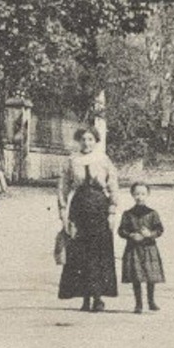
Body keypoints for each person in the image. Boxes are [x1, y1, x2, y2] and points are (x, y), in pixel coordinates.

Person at [57, 126, 119, 311]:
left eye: (90, 139)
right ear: (79, 141)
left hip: (99, 208)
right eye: (83, 139)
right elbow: (63, 186)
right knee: (80, 254)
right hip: (79, 208)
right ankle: (85, 298)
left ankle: (98, 297)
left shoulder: (103, 159)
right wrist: (62, 212)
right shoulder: (71, 160)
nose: (87, 142)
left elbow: (113, 184)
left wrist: (112, 210)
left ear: (96, 141)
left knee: (99, 254)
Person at [118, 182, 165, 313]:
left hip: (149, 248)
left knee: (151, 276)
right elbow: (121, 230)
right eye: (137, 194)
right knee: (136, 276)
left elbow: (160, 229)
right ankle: (138, 304)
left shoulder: (152, 213)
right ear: (132, 195)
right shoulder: (127, 214)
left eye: (143, 194)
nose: (140, 196)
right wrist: (131, 235)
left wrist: (150, 234)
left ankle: (151, 302)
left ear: (148, 195)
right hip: (133, 249)